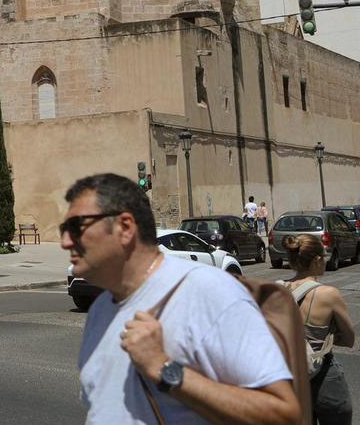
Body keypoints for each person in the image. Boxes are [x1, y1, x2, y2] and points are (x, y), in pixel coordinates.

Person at [64, 173, 299, 424]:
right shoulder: (100, 307)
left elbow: (283, 415)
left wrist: (164, 368)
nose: (65, 242)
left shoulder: (208, 291)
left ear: (124, 228)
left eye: (77, 228)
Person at [279, 234, 354, 424]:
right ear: (317, 260)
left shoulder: (277, 289)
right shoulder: (328, 294)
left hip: (290, 379)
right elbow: (349, 339)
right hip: (325, 379)